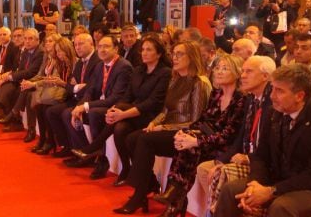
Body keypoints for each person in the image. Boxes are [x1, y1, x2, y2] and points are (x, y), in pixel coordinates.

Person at [214, 64, 311, 217]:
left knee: (282, 206)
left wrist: (271, 191)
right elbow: (261, 157)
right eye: (272, 88)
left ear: (299, 96)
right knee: (231, 191)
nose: (272, 96)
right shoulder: (274, 113)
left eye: (279, 91)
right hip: (282, 181)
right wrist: (254, 186)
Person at [113, 41, 212, 215]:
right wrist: (155, 123)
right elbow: (165, 110)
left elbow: (196, 121)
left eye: (180, 54)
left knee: (145, 139)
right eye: (174, 54)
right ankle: (149, 182)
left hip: (184, 133)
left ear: (192, 57)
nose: (175, 57)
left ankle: (139, 194)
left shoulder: (199, 83)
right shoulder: (175, 80)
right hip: (168, 129)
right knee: (131, 138)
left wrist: (164, 127)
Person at [150, 55, 246, 216]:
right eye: (217, 68)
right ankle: (175, 199)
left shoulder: (242, 99)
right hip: (209, 140)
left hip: (226, 147)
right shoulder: (216, 94)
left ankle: (175, 197)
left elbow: (228, 136)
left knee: (191, 148)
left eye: (225, 68)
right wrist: (186, 133)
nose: (219, 72)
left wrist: (195, 141)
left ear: (237, 72)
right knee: (184, 141)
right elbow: (202, 120)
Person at [72, 35, 172, 186]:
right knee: (119, 128)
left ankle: (94, 147)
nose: (144, 53)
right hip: (131, 113)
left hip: (151, 116)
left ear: (158, 53)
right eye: (143, 49)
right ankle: (126, 167)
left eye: (149, 50)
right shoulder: (139, 70)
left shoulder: (165, 73)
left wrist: (122, 113)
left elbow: (153, 103)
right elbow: (127, 96)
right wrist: (115, 110)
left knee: (116, 117)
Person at [201, 56, 276, 215]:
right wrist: (223, 161)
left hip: (263, 163)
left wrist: (249, 157)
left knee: (227, 184)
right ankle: (213, 211)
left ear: (265, 76)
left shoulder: (273, 102)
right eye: (242, 71)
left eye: (249, 71)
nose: (243, 75)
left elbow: (270, 145)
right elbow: (241, 135)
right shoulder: (251, 99)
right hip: (246, 156)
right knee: (206, 169)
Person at [69, 36, 133, 179]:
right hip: (101, 104)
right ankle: (92, 155)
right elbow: (90, 91)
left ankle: (99, 157)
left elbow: (116, 98)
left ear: (116, 49)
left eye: (106, 46)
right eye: (100, 46)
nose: (102, 50)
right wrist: (79, 107)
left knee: (93, 113)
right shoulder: (100, 65)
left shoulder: (124, 67)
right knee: (73, 112)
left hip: (116, 106)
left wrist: (85, 106)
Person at [47, 33, 100, 159]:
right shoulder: (81, 62)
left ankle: (84, 152)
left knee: (67, 113)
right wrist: (76, 87)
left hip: (91, 100)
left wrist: (75, 87)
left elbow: (91, 87)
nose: (78, 47)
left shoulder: (97, 61)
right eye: (75, 44)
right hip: (76, 97)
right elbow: (71, 84)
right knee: (51, 111)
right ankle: (68, 146)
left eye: (81, 44)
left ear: (91, 43)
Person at [27, 37, 76, 154]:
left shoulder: (75, 64)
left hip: (70, 96)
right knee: (40, 107)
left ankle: (54, 142)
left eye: (61, 51)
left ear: (67, 49)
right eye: (57, 51)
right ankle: (44, 139)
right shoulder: (60, 64)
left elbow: (71, 85)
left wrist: (62, 83)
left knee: (49, 109)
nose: (59, 54)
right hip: (61, 93)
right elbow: (50, 80)